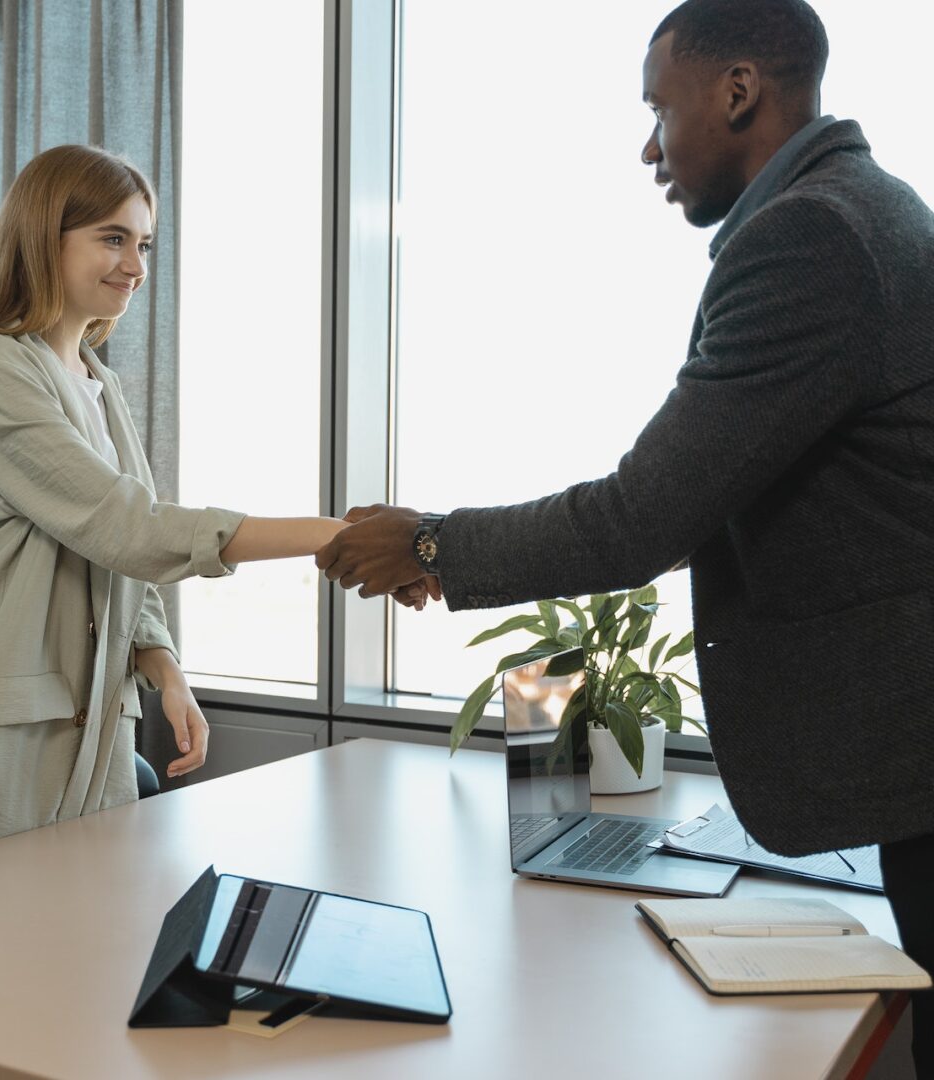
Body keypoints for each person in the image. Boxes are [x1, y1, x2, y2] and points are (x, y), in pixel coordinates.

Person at [316, 0, 934, 1071]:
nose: (650, 146)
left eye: (660, 109)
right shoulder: (871, 207)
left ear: (737, 90)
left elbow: (645, 513)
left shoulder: (812, 237)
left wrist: (428, 545)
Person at [0, 144, 347, 868]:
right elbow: (128, 528)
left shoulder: (99, 383)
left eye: (143, 244)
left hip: (97, 718)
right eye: (112, 238)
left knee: (82, 938)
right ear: (44, 235)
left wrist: (165, 669)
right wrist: (332, 536)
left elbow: (116, 554)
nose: (134, 266)